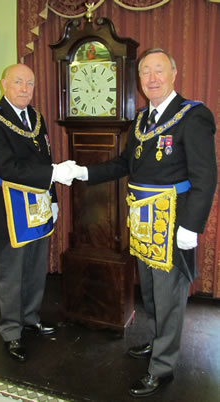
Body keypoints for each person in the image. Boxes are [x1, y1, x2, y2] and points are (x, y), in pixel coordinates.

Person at [71, 48, 217, 397]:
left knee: (169, 297)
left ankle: (163, 367)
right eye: (145, 73)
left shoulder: (192, 115)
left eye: (159, 71)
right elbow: (124, 164)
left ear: (173, 74)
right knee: (151, 293)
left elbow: (206, 176)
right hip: (143, 218)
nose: (152, 79)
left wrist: (190, 226)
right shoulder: (141, 119)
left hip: (172, 220)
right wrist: (83, 171)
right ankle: (157, 343)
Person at [0, 63, 75, 362]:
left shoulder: (35, 117)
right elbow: (5, 167)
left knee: (35, 266)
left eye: (30, 83)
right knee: (11, 272)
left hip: (39, 202)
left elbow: (47, 157)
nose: (24, 89)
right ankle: (11, 332)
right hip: (9, 204)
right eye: (18, 82)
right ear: (3, 83)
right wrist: (53, 174)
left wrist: (54, 197)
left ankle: (30, 319)